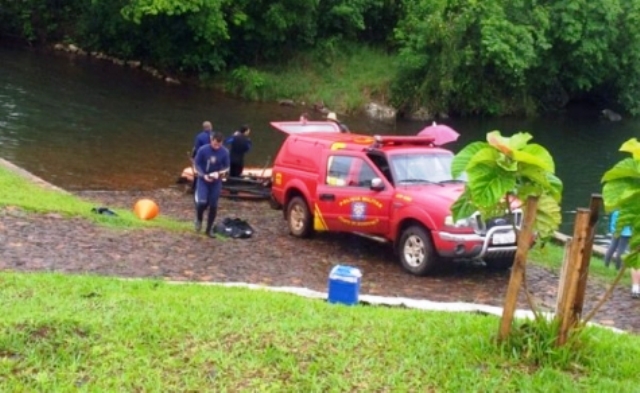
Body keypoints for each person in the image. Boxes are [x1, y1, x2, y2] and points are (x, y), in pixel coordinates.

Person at [193, 131, 230, 237]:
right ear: (211, 141)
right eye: (215, 144)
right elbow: (197, 164)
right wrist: (203, 175)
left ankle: (208, 229)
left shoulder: (225, 152)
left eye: (219, 144)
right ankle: (199, 219)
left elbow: (227, 167)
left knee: (213, 205)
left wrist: (218, 173)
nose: (217, 146)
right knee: (202, 202)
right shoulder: (203, 150)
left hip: (216, 181)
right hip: (203, 179)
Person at [189, 121, 214, 191]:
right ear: (211, 127)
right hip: (212, 157)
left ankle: (195, 187)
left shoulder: (199, 136)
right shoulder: (214, 136)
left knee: (199, 171)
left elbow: (196, 148)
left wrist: (193, 157)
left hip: (202, 156)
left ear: (203, 128)